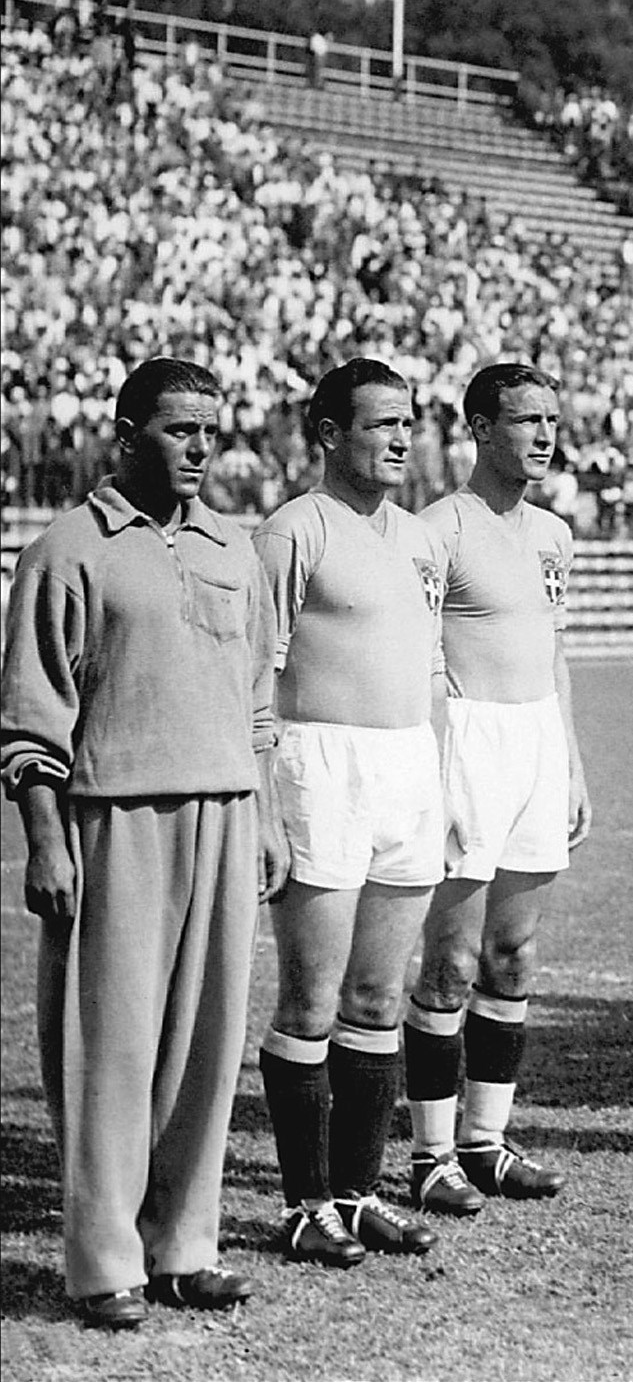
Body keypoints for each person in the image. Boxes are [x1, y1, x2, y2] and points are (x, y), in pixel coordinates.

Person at [2, 358, 279, 1329]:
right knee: (112, 1050)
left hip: (226, 814)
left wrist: (269, 816)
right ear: (126, 434)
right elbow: (32, 721)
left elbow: (256, 702)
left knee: (208, 1048)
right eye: (177, 430)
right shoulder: (68, 548)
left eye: (211, 430)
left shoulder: (233, 545)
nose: (200, 447)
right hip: (115, 813)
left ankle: (183, 1246)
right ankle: (104, 1261)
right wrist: (45, 842)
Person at [254, 359, 448, 1268]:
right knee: (312, 997)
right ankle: (304, 1203)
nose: (400, 439)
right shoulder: (295, 529)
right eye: (379, 424)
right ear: (329, 433)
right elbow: (255, 674)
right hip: (319, 762)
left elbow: (428, 663)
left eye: (408, 423)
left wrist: (439, 779)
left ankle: (359, 1191)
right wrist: (262, 799)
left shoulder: (420, 538)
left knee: (378, 995)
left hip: (408, 763)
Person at [403, 365, 590, 1218]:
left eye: (553, 418)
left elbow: (554, 653)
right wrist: (437, 768)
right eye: (525, 420)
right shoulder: (437, 528)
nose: (545, 435)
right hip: (467, 740)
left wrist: (574, 761)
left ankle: (485, 1139)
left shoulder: (553, 533)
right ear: (480, 427)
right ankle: (430, 1153)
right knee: (450, 958)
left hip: (536, 741)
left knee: (513, 954)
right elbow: (424, 660)